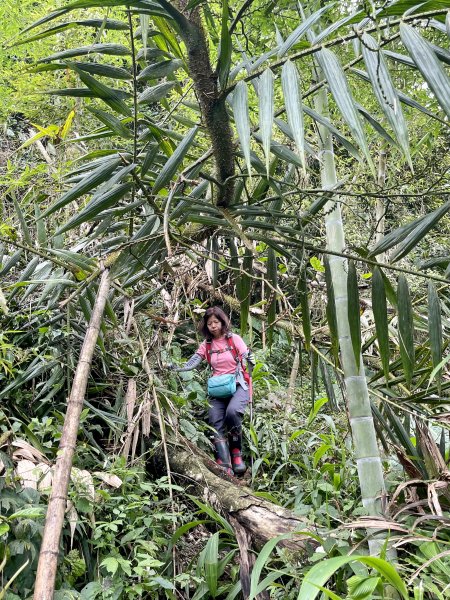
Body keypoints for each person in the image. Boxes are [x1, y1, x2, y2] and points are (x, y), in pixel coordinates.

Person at [172, 306, 255, 476]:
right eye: (209, 323)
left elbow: (248, 356)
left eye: (216, 322)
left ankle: (236, 455)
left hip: (238, 384)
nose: (213, 326)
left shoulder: (234, 339)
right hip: (218, 388)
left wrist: (250, 359)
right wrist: (177, 368)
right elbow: (192, 362)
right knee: (214, 419)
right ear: (206, 326)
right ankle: (223, 462)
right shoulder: (207, 344)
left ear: (222, 322)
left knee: (232, 413)